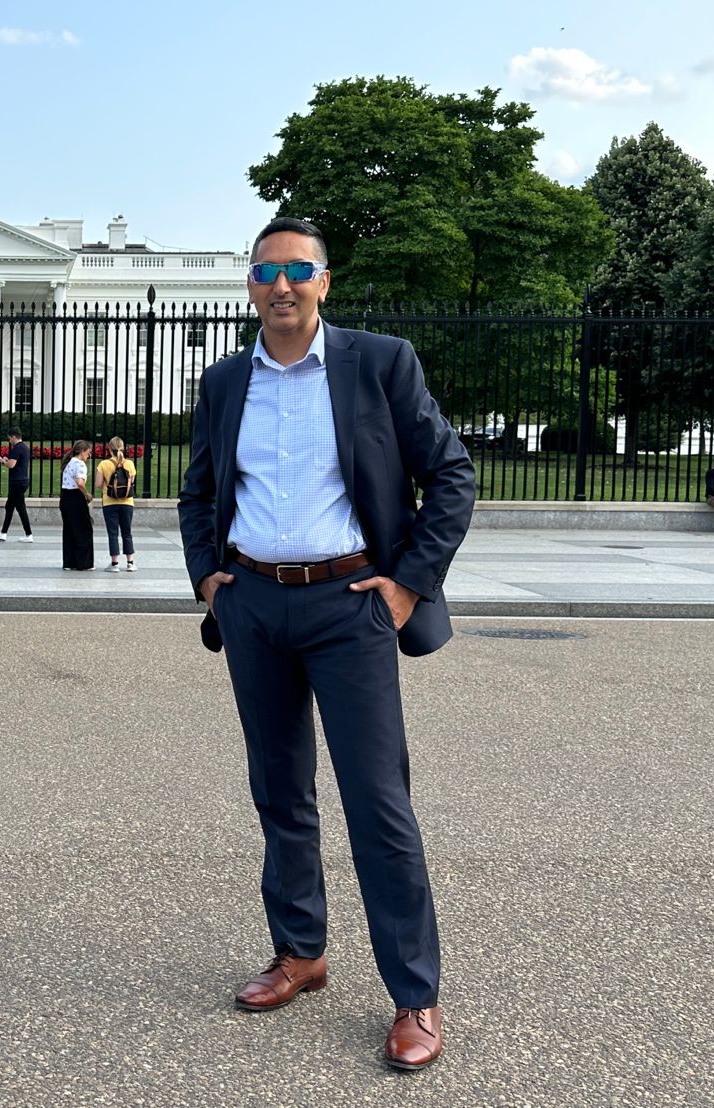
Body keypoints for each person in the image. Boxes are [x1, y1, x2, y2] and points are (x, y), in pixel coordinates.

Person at [178, 217, 475, 1072]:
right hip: (254, 605)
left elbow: (450, 473)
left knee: (378, 803)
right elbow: (200, 490)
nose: (281, 285)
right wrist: (208, 577)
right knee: (279, 788)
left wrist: (408, 582)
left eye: (297, 270)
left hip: (351, 606)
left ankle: (415, 994)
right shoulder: (226, 380)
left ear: (324, 281)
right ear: (249, 285)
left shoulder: (379, 363)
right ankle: (301, 952)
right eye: (266, 270)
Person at [95, 437, 137, 572]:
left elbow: (98, 484)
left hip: (109, 502)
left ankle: (115, 564)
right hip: (127, 502)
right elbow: (131, 481)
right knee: (127, 532)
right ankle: (130, 563)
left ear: (109, 448)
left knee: (113, 533)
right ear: (123, 448)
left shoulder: (103, 464)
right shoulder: (130, 464)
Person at [0, 429, 34, 543]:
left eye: (10, 438)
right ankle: (3, 533)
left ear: (14, 437)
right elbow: (16, 463)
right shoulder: (24, 447)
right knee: (9, 507)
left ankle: (28, 534)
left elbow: (11, 465)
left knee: (20, 508)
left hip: (17, 482)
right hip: (23, 481)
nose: (9, 440)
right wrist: (7, 460)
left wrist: (2, 461)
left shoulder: (17, 448)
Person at [59, 439, 94, 569]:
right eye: (88, 452)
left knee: (69, 530)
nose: (88, 455)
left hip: (65, 497)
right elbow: (80, 482)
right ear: (81, 451)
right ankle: (83, 563)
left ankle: (69, 562)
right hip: (76, 498)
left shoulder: (68, 463)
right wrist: (87, 494)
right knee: (84, 530)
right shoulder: (80, 464)